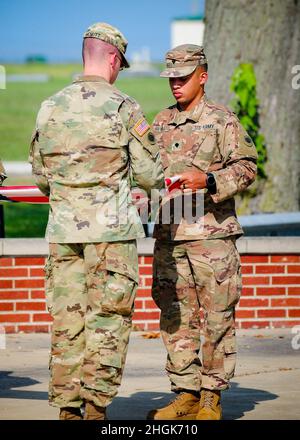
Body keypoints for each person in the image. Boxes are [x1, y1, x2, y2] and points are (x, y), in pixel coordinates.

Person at [29, 22, 164, 420]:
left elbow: (40, 176)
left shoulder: (50, 106)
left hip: (62, 233)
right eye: (121, 62)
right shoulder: (124, 107)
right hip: (112, 234)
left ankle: (67, 410)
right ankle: (94, 407)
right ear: (111, 58)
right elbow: (151, 175)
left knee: (67, 322)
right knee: (108, 320)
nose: (120, 70)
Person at [147, 44, 258, 420]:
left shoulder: (222, 120)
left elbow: (247, 167)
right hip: (169, 237)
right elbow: (148, 176)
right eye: (171, 79)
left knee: (216, 315)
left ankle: (211, 394)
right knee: (175, 315)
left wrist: (209, 179)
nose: (175, 85)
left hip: (211, 237)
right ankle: (186, 392)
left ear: (203, 76)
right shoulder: (159, 123)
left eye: (183, 78)